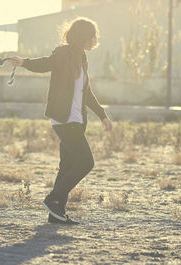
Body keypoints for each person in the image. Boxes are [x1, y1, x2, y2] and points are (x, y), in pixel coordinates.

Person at [10, 17, 112, 225]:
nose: (95, 40)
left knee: (66, 166)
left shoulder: (81, 57)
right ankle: (52, 199)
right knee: (86, 163)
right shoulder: (63, 53)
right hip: (64, 121)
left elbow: (87, 92)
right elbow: (46, 63)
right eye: (93, 36)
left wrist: (102, 115)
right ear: (84, 35)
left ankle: (56, 214)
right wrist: (24, 63)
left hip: (76, 120)